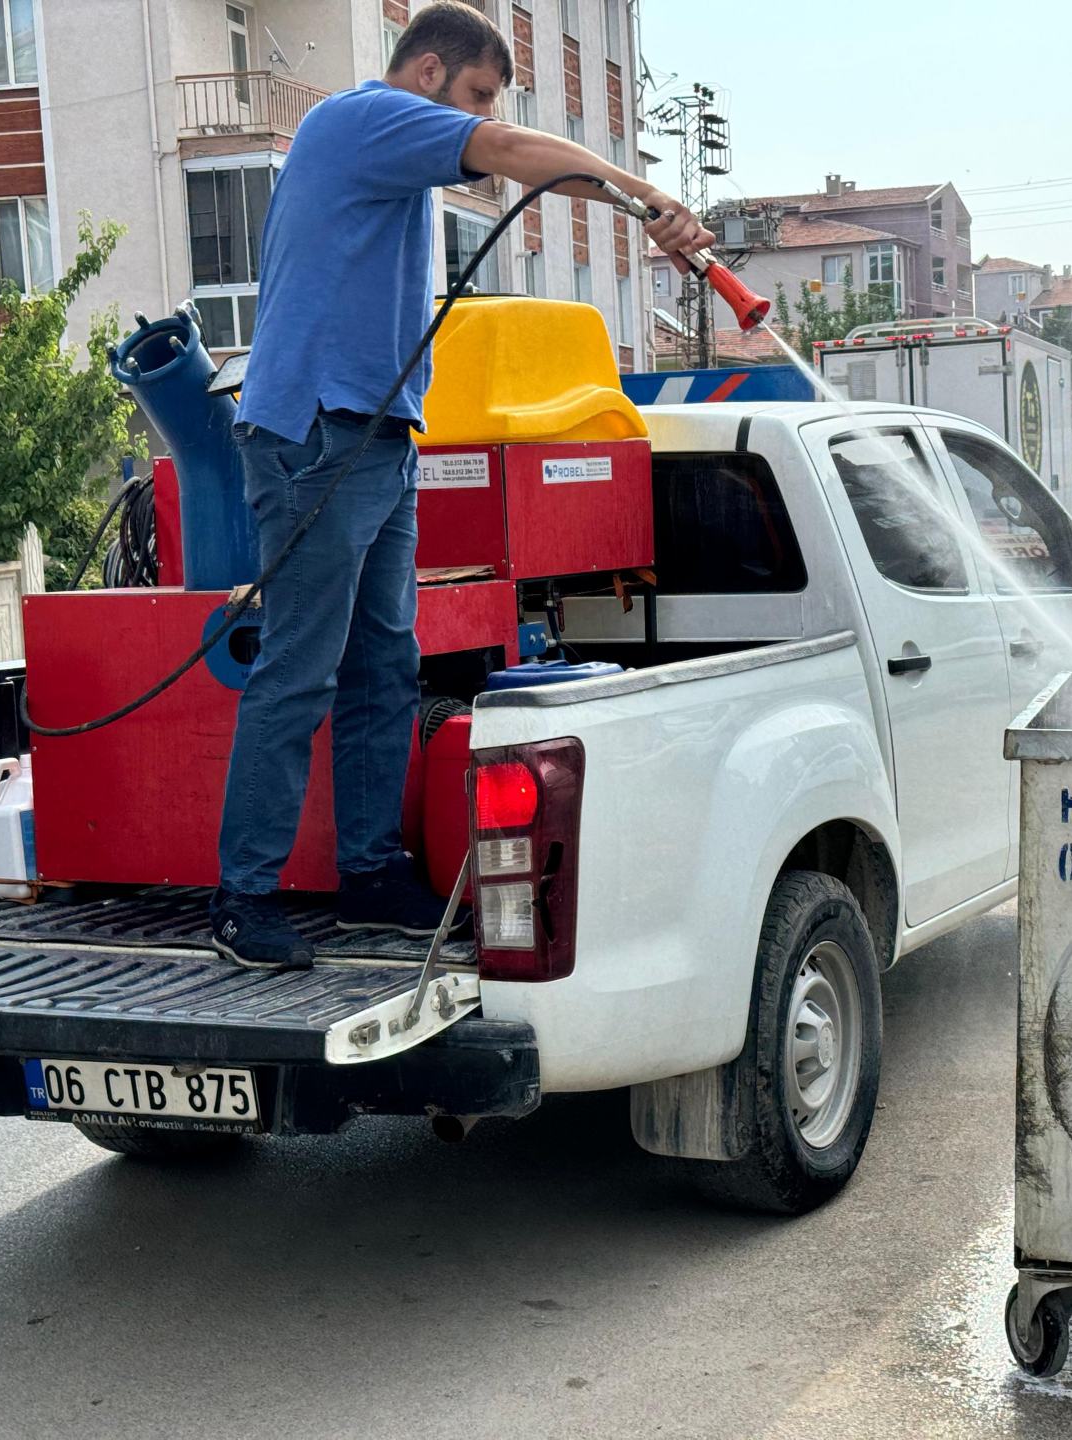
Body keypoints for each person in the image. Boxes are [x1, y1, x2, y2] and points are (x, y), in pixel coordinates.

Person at [210, 1, 711, 970]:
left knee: (382, 667)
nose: (480, 117)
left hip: (378, 435)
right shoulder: (364, 119)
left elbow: (504, 151)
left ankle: (368, 875)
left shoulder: (390, 155)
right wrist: (645, 195)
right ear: (430, 70)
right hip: (317, 434)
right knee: (300, 669)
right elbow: (514, 152)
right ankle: (244, 899)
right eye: (477, 93)